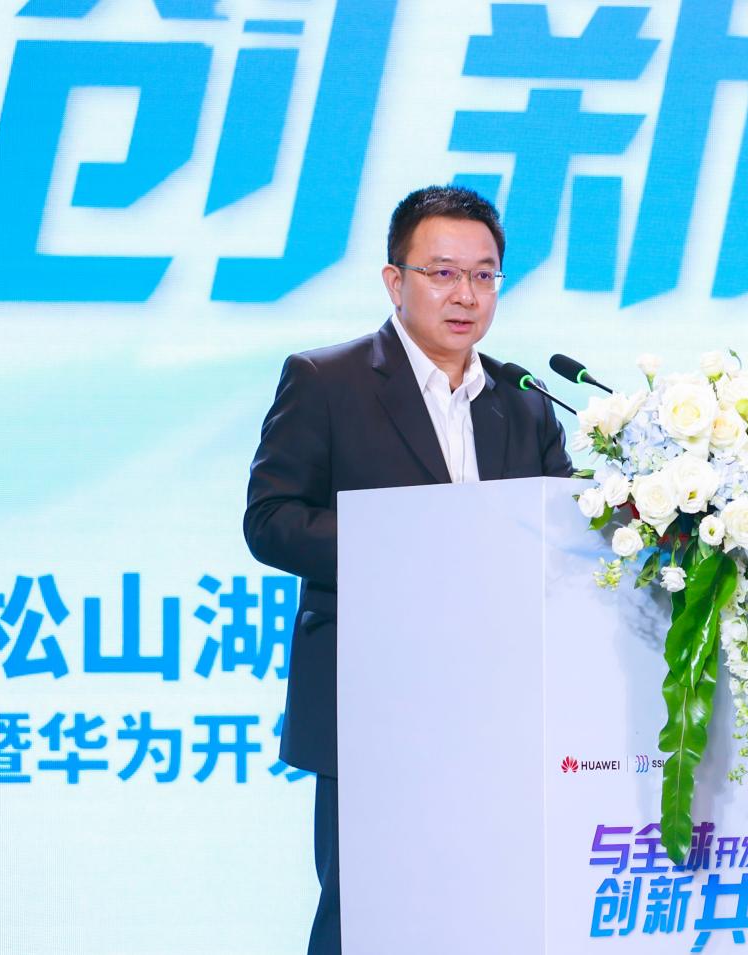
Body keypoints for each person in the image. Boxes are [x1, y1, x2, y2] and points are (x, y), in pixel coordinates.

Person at [243, 185, 573, 954]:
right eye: (442, 273)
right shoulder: (327, 380)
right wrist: (411, 544)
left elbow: (560, 533)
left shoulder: (524, 400)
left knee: (486, 913)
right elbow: (272, 519)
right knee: (366, 917)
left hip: (500, 706)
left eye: (483, 275)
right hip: (372, 696)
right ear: (395, 281)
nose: (465, 295)